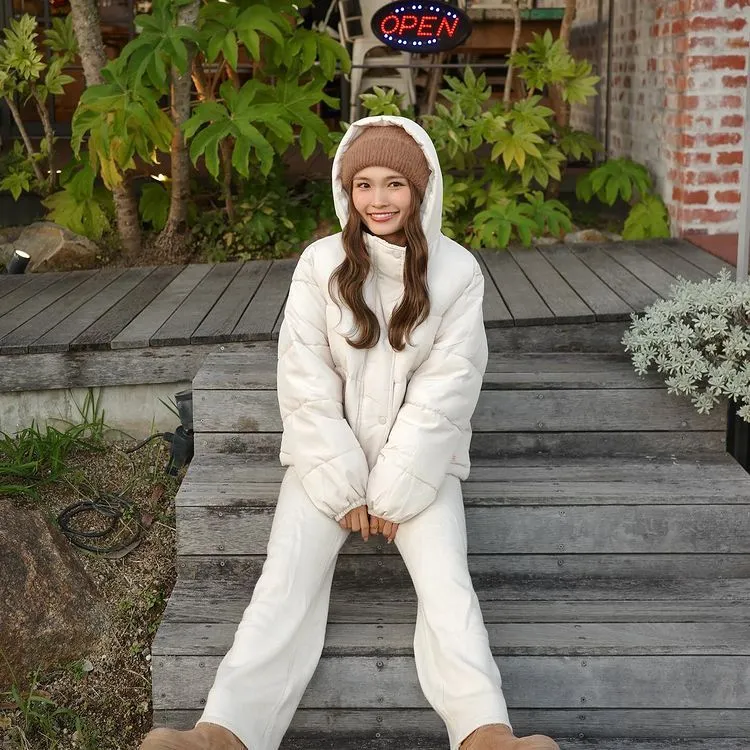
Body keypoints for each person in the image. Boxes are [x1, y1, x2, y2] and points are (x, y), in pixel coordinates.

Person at [140, 116, 560, 750]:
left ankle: (486, 732)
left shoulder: (458, 272)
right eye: (364, 184)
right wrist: (341, 482)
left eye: (395, 183)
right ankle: (223, 732)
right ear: (347, 190)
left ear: (421, 189)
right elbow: (303, 379)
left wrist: (396, 488)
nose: (378, 199)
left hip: (419, 467)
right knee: (284, 581)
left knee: (448, 585)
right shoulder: (321, 264)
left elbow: (448, 388)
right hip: (326, 460)